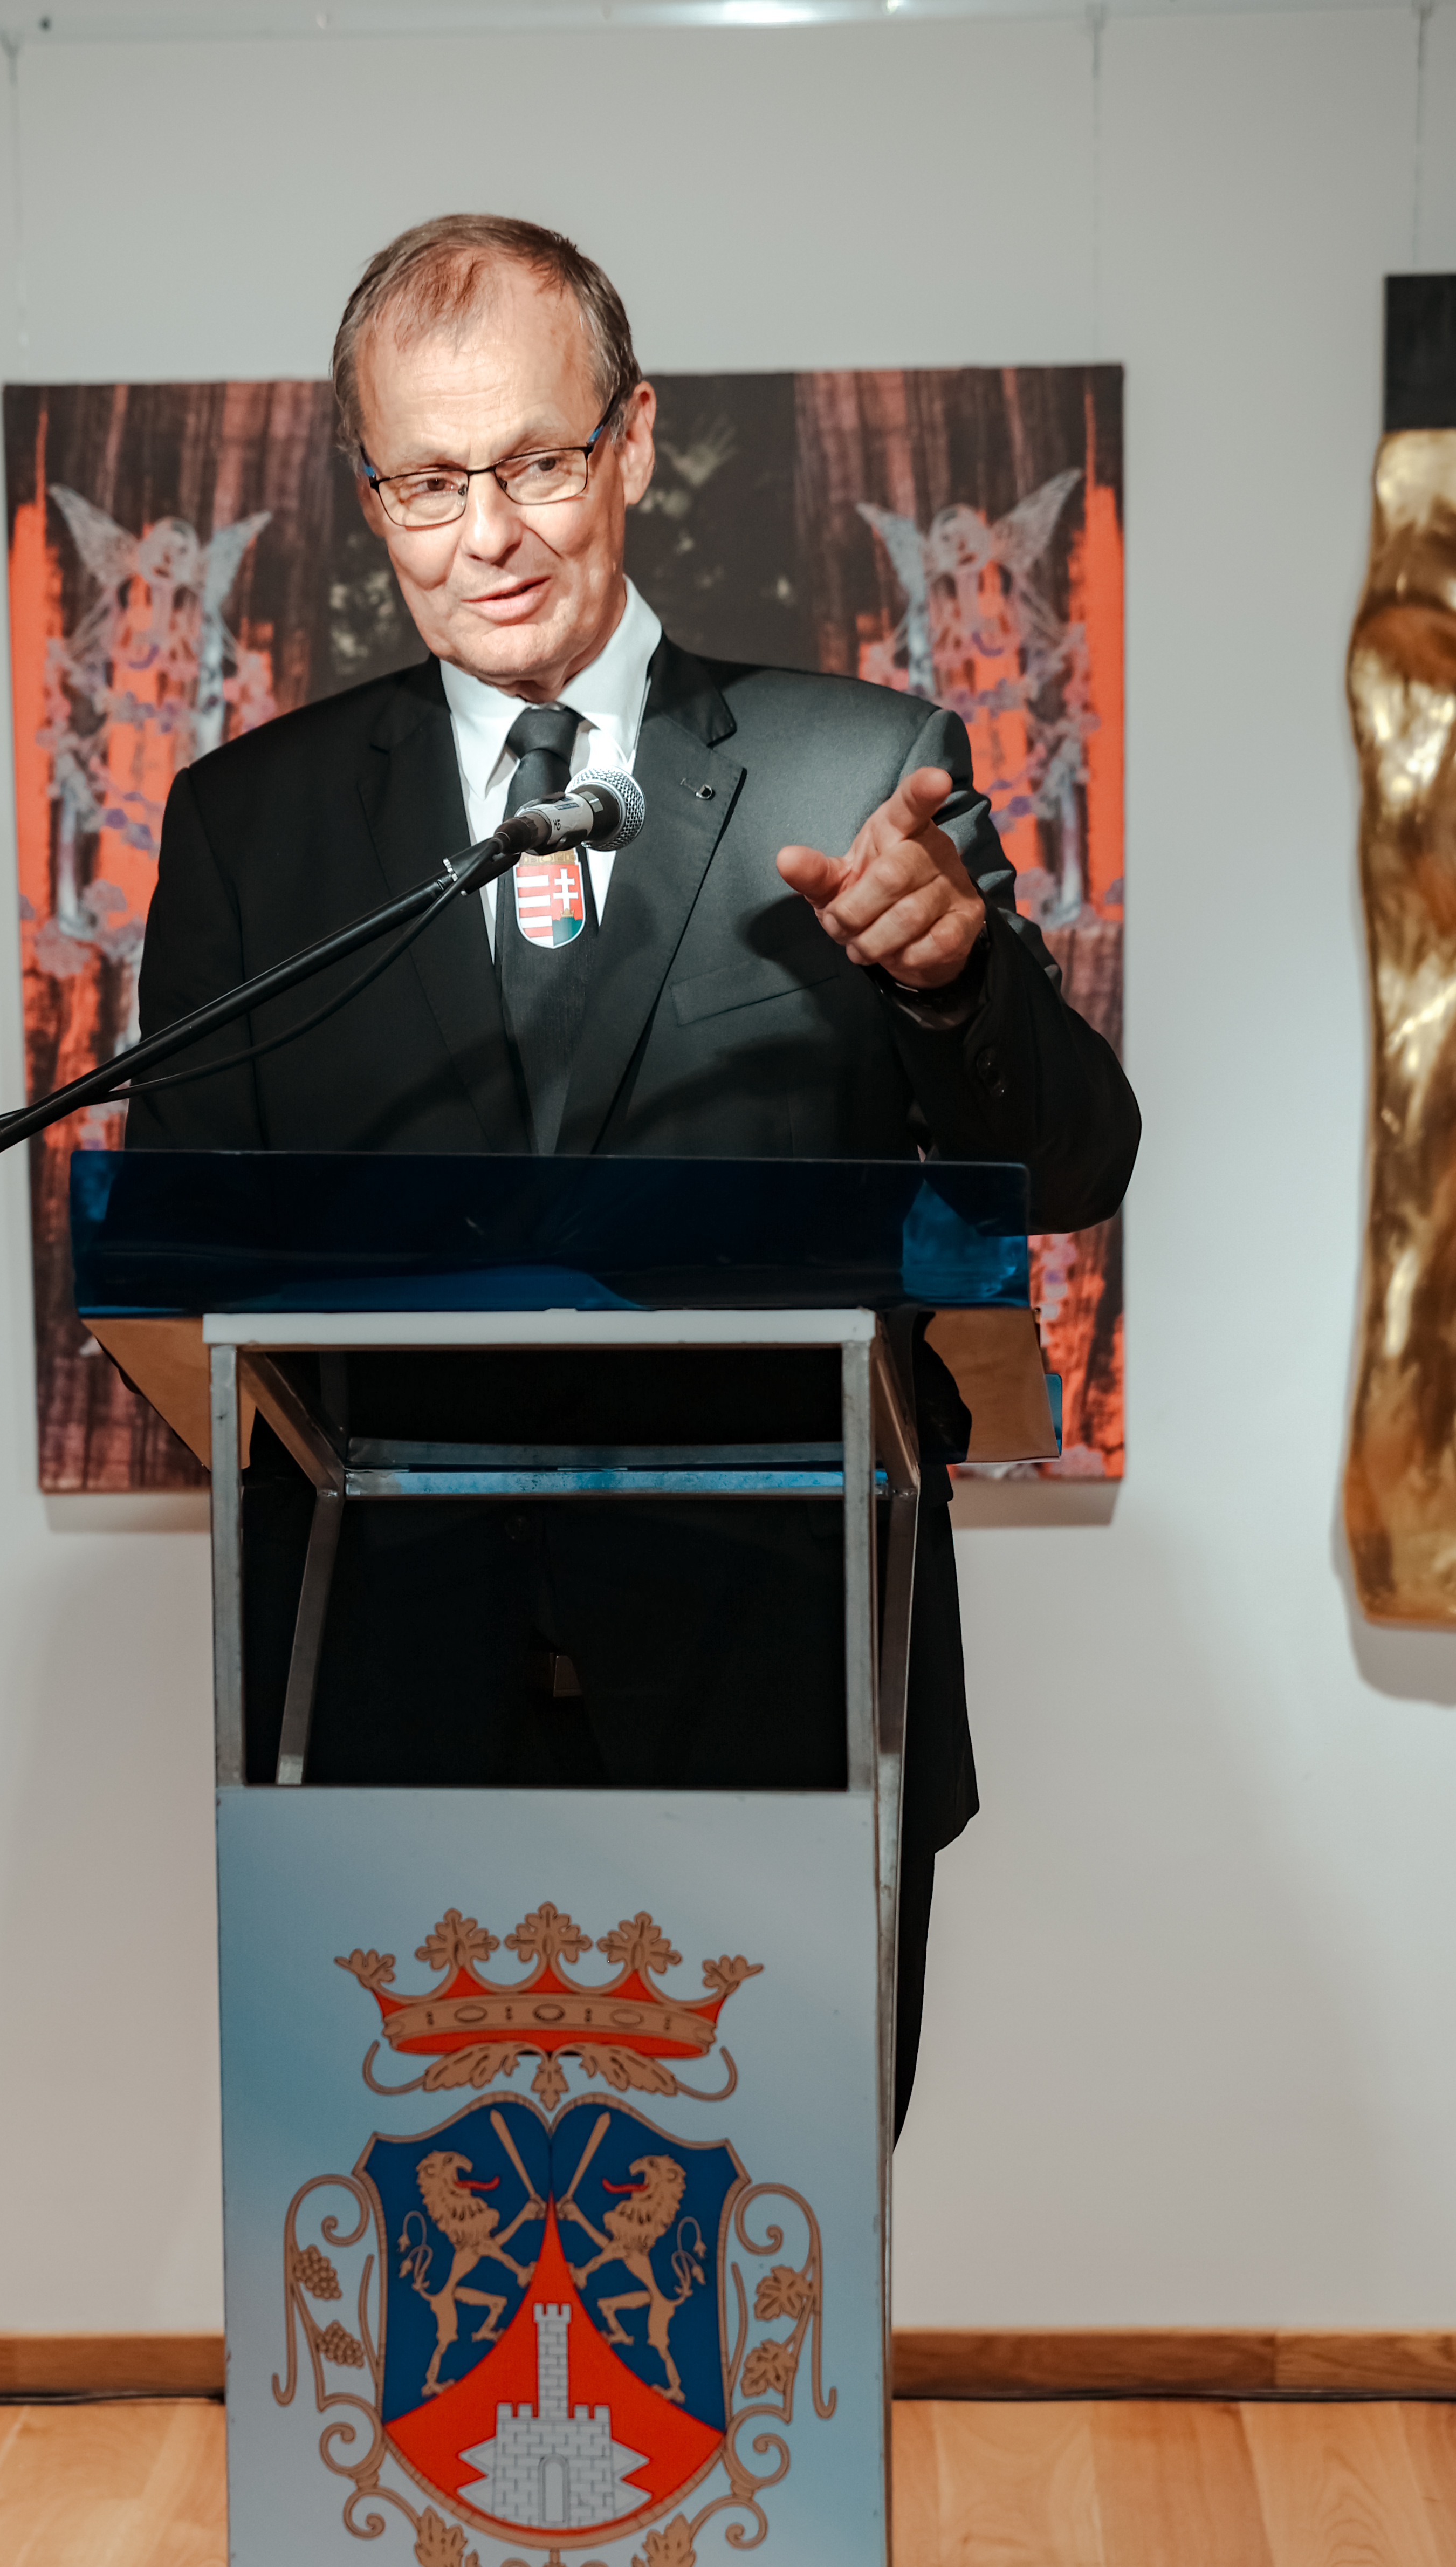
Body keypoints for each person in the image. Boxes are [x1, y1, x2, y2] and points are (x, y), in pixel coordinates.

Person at [126, 215, 1139, 2130]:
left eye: (534, 461)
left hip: (784, 1681)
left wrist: (955, 987)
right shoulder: (251, 827)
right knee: (410, 2277)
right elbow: (181, 1256)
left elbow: (1078, 1161)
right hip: (381, 1694)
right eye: (429, 482)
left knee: (763, 2281)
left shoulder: (861, 770)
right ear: (368, 490)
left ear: (636, 440)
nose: (488, 534)